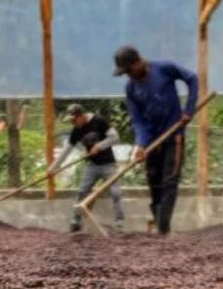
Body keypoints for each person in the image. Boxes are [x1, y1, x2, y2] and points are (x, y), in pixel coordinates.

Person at [114, 45, 198, 236]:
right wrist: (142, 144)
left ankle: (163, 229)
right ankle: (159, 223)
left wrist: (189, 110)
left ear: (138, 62)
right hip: (152, 141)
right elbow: (138, 119)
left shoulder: (164, 68)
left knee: (170, 181)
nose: (128, 75)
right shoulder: (131, 88)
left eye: (129, 70)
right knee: (154, 181)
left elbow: (192, 79)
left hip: (173, 135)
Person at [50, 103, 125, 234]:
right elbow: (66, 151)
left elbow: (115, 137)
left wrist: (99, 146)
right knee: (82, 192)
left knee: (116, 193)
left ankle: (119, 223)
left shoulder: (99, 121)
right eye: (71, 121)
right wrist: (52, 168)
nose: (73, 123)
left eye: (74, 120)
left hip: (108, 165)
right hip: (92, 165)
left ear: (81, 115)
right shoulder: (76, 130)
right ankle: (75, 221)